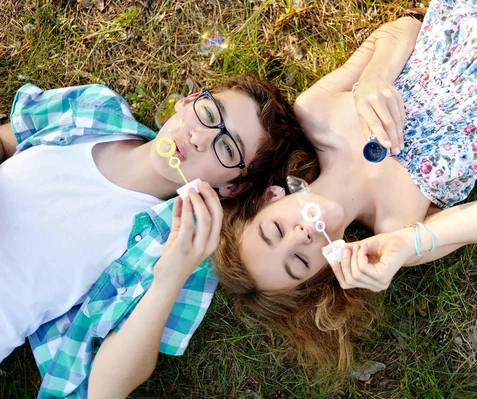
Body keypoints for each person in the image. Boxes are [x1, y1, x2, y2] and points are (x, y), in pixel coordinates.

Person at [213, 0, 477, 375]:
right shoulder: (400, 228)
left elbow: (404, 29)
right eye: (299, 261)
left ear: (271, 196)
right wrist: (411, 245)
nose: (299, 236)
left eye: (275, 230)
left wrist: (374, 80)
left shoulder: (316, 114)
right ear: (328, 268)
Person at [0, 76, 308, 397]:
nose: (200, 137)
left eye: (228, 147)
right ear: (188, 101)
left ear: (232, 187)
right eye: (210, 112)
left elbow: (103, 391)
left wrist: (168, 279)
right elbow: (8, 139)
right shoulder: (94, 109)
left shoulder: (174, 247)